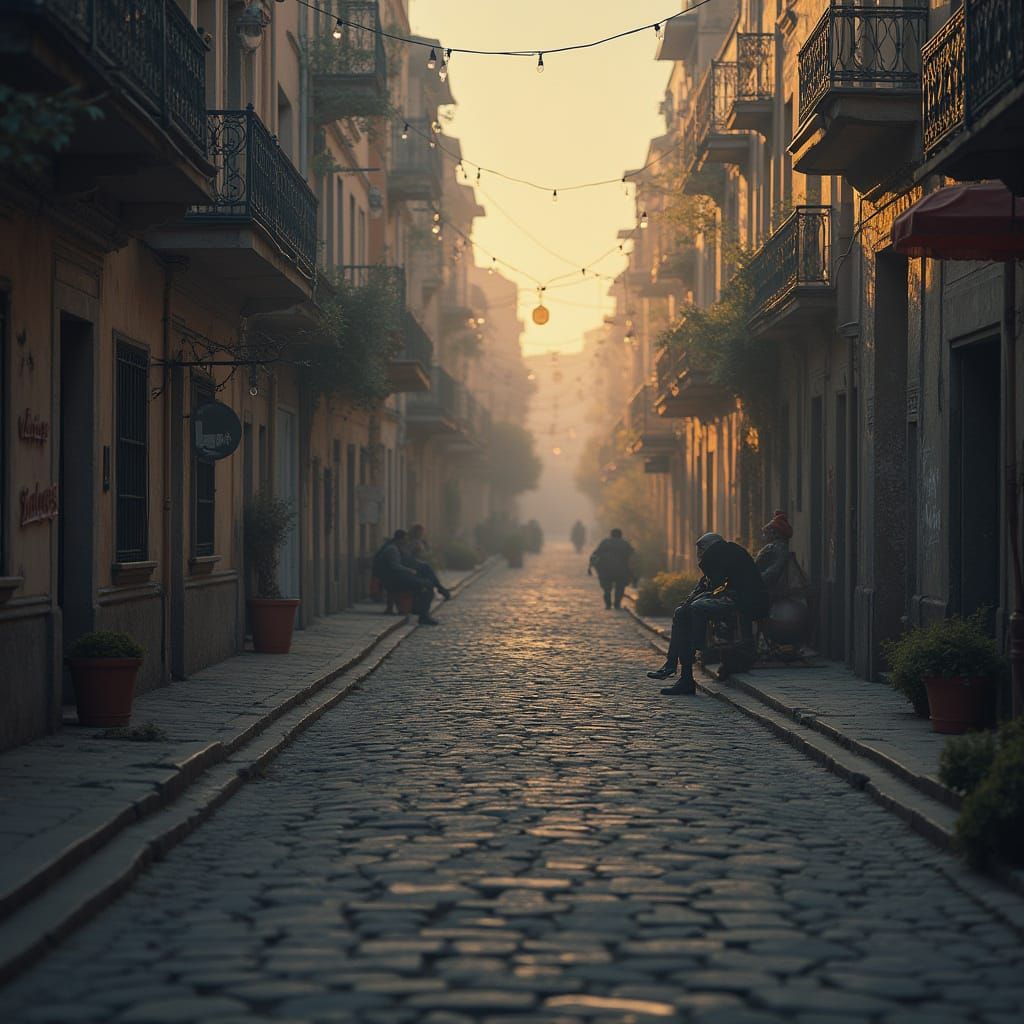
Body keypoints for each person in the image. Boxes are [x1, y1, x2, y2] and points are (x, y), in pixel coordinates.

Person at [647, 532, 769, 695]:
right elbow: (708, 585)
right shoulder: (723, 555)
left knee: (696, 608)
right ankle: (673, 666)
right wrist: (690, 600)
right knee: (682, 612)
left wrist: (702, 596)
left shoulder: (721, 555)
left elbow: (719, 586)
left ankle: (698, 646)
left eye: (700, 551)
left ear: (708, 548)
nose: (699, 555)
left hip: (744, 601)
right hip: (733, 597)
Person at [371, 529, 438, 625]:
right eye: (405, 539)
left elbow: (405, 561)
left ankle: (422, 613)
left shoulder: (395, 547)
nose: (406, 541)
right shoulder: (392, 549)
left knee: (426, 583)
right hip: (395, 580)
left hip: (394, 578)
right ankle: (423, 615)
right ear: (400, 539)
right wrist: (410, 571)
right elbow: (395, 566)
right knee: (427, 586)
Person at [403, 523, 452, 601]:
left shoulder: (422, 542)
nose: (422, 533)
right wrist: (417, 552)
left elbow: (427, 553)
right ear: (415, 532)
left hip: (422, 564)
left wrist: (432, 553)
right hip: (414, 565)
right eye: (420, 532)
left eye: (422, 532)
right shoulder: (412, 542)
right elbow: (410, 555)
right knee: (428, 570)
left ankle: (441, 589)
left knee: (429, 570)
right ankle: (441, 589)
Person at [588, 528, 635, 610]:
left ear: (611, 534)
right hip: (621, 570)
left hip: (606, 570)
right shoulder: (624, 543)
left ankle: (608, 604)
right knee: (620, 588)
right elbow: (632, 555)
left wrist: (590, 566)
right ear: (621, 535)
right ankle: (617, 604)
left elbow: (595, 554)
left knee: (607, 589)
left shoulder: (605, 542)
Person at [754, 510, 792, 595]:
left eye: (766, 533)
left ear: (774, 533)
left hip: (771, 590)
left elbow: (775, 569)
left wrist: (758, 579)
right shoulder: (772, 546)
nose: (764, 536)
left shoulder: (780, 548)